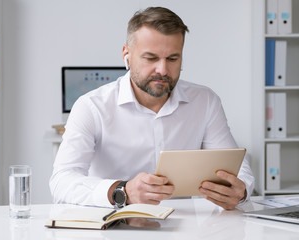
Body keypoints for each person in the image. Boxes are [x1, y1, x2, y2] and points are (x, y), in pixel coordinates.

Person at [50, 6, 254, 210]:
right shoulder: (91, 107)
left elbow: (237, 169)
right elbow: (61, 182)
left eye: (173, 59)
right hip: (112, 226)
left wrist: (240, 191)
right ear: (126, 55)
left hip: (183, 227)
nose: (163, 70)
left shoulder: (206, 101)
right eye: (151, 58)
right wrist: (122, 191)